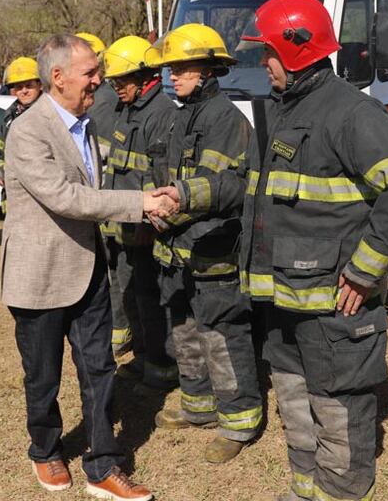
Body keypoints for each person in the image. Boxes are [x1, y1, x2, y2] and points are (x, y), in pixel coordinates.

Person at [180, 0, 388, 500]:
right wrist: (187, 195)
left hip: (331, 305)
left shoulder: (350, 112)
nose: (262, 62)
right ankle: (304, 487)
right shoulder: (280, 110)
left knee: (337, 403)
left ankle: (340, 492)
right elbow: (254, 188)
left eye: (268, 52)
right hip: (283, 298)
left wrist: (364, 271)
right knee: (294, 397)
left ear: (297, 50)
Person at [1, 32, 174, 499]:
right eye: (91, 72)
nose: (100, 79)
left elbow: (96, 185)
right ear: (58, 77)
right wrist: (140, 203)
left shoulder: (88, 123)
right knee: (43, 375)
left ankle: (103, 464)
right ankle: (45, 449)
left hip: (89, 268)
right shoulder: (27, 130)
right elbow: (66, 197)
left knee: (99, 368)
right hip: (39, 274)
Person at [150, 23, 262, 464]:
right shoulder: (182, 115)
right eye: (171, 69)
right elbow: (165, 172)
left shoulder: (225, 119)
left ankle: (239, 421)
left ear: (209, 71)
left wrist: (171, 206)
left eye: (182, 68)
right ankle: (198, 405)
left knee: (222, 334)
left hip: (213, 247)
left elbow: (225, 186)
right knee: (185, 328)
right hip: (177, 246)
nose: (172, 76)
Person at [100, 36, 177, 389]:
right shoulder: (127, 111)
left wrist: (150, 222)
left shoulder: (161, 114)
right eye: (113, 81)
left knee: (153, 298)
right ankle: (144, 356)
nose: (116, 87)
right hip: (124, 226)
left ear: (145, 76)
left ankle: (162, 366)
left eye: (122, 80)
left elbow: (159, 176)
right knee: (134, 295)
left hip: (146, 228)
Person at [77, 31, 134, 357]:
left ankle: (120, 331)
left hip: (110, 204)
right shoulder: (101, 100)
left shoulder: (105, 102)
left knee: (116, 272)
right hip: (104, 203)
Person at [0, 56, 43, 213]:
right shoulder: (11, 114)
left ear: (40, 84)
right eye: (19, 87)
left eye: (29, 86)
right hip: (15, 195)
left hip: (40, 194)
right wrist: (0, 169)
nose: (24, 91)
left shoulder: (49, 113)